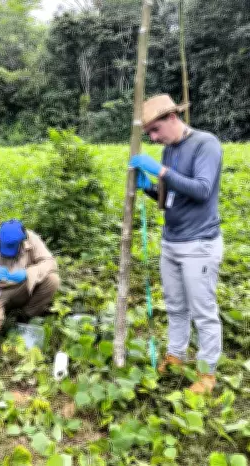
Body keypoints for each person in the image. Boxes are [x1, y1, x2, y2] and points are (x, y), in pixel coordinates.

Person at [130, 94, 224, 394]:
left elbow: (202, 189)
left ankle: (207, 373)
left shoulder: (206, 144)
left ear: (172, 117)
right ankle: (175, 355)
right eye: (149, 133)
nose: (154, 138)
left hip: (199, 244)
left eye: (155, 130)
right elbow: (169, 196)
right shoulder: (169, 151)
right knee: (175, 306)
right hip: (171, 242)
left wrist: (161, 172)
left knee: (203, 311)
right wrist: (151, 188)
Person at [0, 219, 60, 333]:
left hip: (21, 287)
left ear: (22, 241)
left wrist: (27, 273)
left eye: (13, 246)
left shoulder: (31, 239)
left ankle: (26, 315)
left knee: (52, 280)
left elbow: (50, 263)